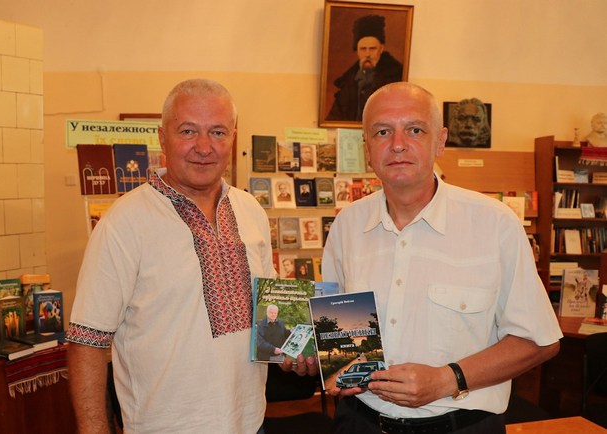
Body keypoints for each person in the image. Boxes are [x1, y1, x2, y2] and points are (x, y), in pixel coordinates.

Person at [66, 79, 315, 434]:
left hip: (249, 423)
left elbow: (269, 314)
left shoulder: (250, 210)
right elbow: (86, 341)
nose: (204, 147)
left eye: (218, 132)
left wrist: (297, 351)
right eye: (188, 131)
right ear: (162, 138)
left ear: (233, 137)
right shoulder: (123, 223)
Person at [321, 82, 562, 434]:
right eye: (382, 132)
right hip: (360, 422)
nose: (398, 144)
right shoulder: (347, 225)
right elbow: (337, 333)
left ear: (441, 141)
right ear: (367, 148)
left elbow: (539, 341)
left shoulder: (495, 224)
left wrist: (447, 380)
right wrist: (317, 358)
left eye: (415, 130)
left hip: (461, 426)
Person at [327, 14, 403, 122]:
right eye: (363, 49)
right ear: (357, 51)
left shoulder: (396, 77)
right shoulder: (347, 81)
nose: (367, 54)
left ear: (381, 49)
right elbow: (334, 117)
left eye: (372, 49)